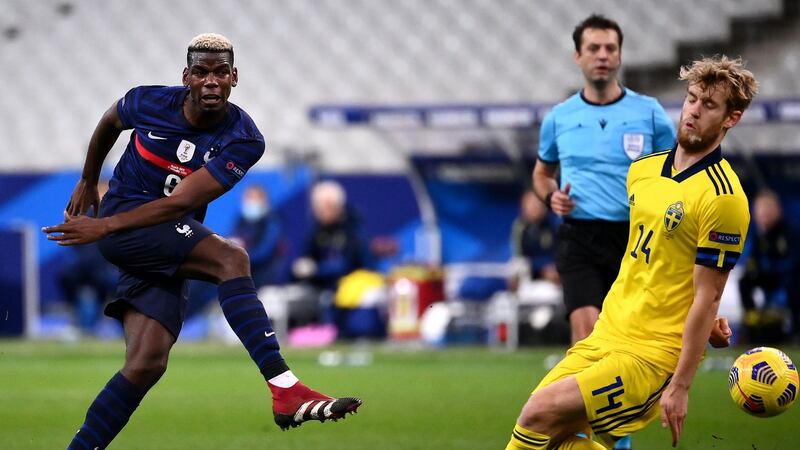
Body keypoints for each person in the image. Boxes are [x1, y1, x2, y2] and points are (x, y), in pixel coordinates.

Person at [42, 33, 361, 449]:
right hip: (125, 222)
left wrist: (103, 226)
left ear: (234, 78)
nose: (211, 80)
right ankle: (287, 390)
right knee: (231, 258)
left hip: (156, 228)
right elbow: (109, 122)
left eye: (220, 72)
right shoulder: (148, 101)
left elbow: (178, 206)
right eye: (202, 72)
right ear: (186, 77)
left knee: (146, 363)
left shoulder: (244, 140)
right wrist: (88, 180)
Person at [505, 55, 758, 450]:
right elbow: (659, 256)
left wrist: (681, 386)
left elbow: (708, 293)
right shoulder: (642, 170)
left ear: (732, 118)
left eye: (709, 105)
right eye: (692, 99)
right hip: (608, 333)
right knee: (550, 436)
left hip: (652, 356)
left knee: (537, 414)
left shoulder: (723, 198)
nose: (694, 111)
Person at [533, 14, 676, 352]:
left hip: (635, 240)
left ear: (620, 56)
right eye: (593, 48)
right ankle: (582, 404)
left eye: (610, 48)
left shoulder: (650, 113)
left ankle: (631, 403)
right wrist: (552, 197)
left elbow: (675, 173)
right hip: (579, 236)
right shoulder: (559, 118)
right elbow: (542, 174)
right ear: (577, 56)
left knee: (632, 342)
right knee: (586, 336)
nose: (602, 55)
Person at [738, 190, 797, 342]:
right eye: (760, 209)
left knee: (794, 285)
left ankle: (795, 330)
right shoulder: (757, 233)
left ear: (778, 209)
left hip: (787, 276)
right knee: (744, 281)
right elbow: (752, 258)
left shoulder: (789, 232)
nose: (764, 213)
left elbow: (794, 261)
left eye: (768, 208)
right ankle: (752, 322)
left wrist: (770, 267)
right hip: (768, 275)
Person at [231, 184, 286, 288]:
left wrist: (240, 256)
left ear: (264, 200)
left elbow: (265, 251)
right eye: (248, 198)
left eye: (254, 198)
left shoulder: (271, 222)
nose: (250, 202)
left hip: (266, 279)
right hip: (243, 278)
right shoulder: (241, 220)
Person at [509, 189, 560, 288]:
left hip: (552, 271)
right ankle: (517, 297)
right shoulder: (520, 227)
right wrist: (540, 268)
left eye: (539, 202)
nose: (536, 207)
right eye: (531, 203)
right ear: (523, 206)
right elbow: (519, 254)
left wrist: (552, 268)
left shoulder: (554, 225)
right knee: (516, 267)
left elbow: (559, 252)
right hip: (530, 270)